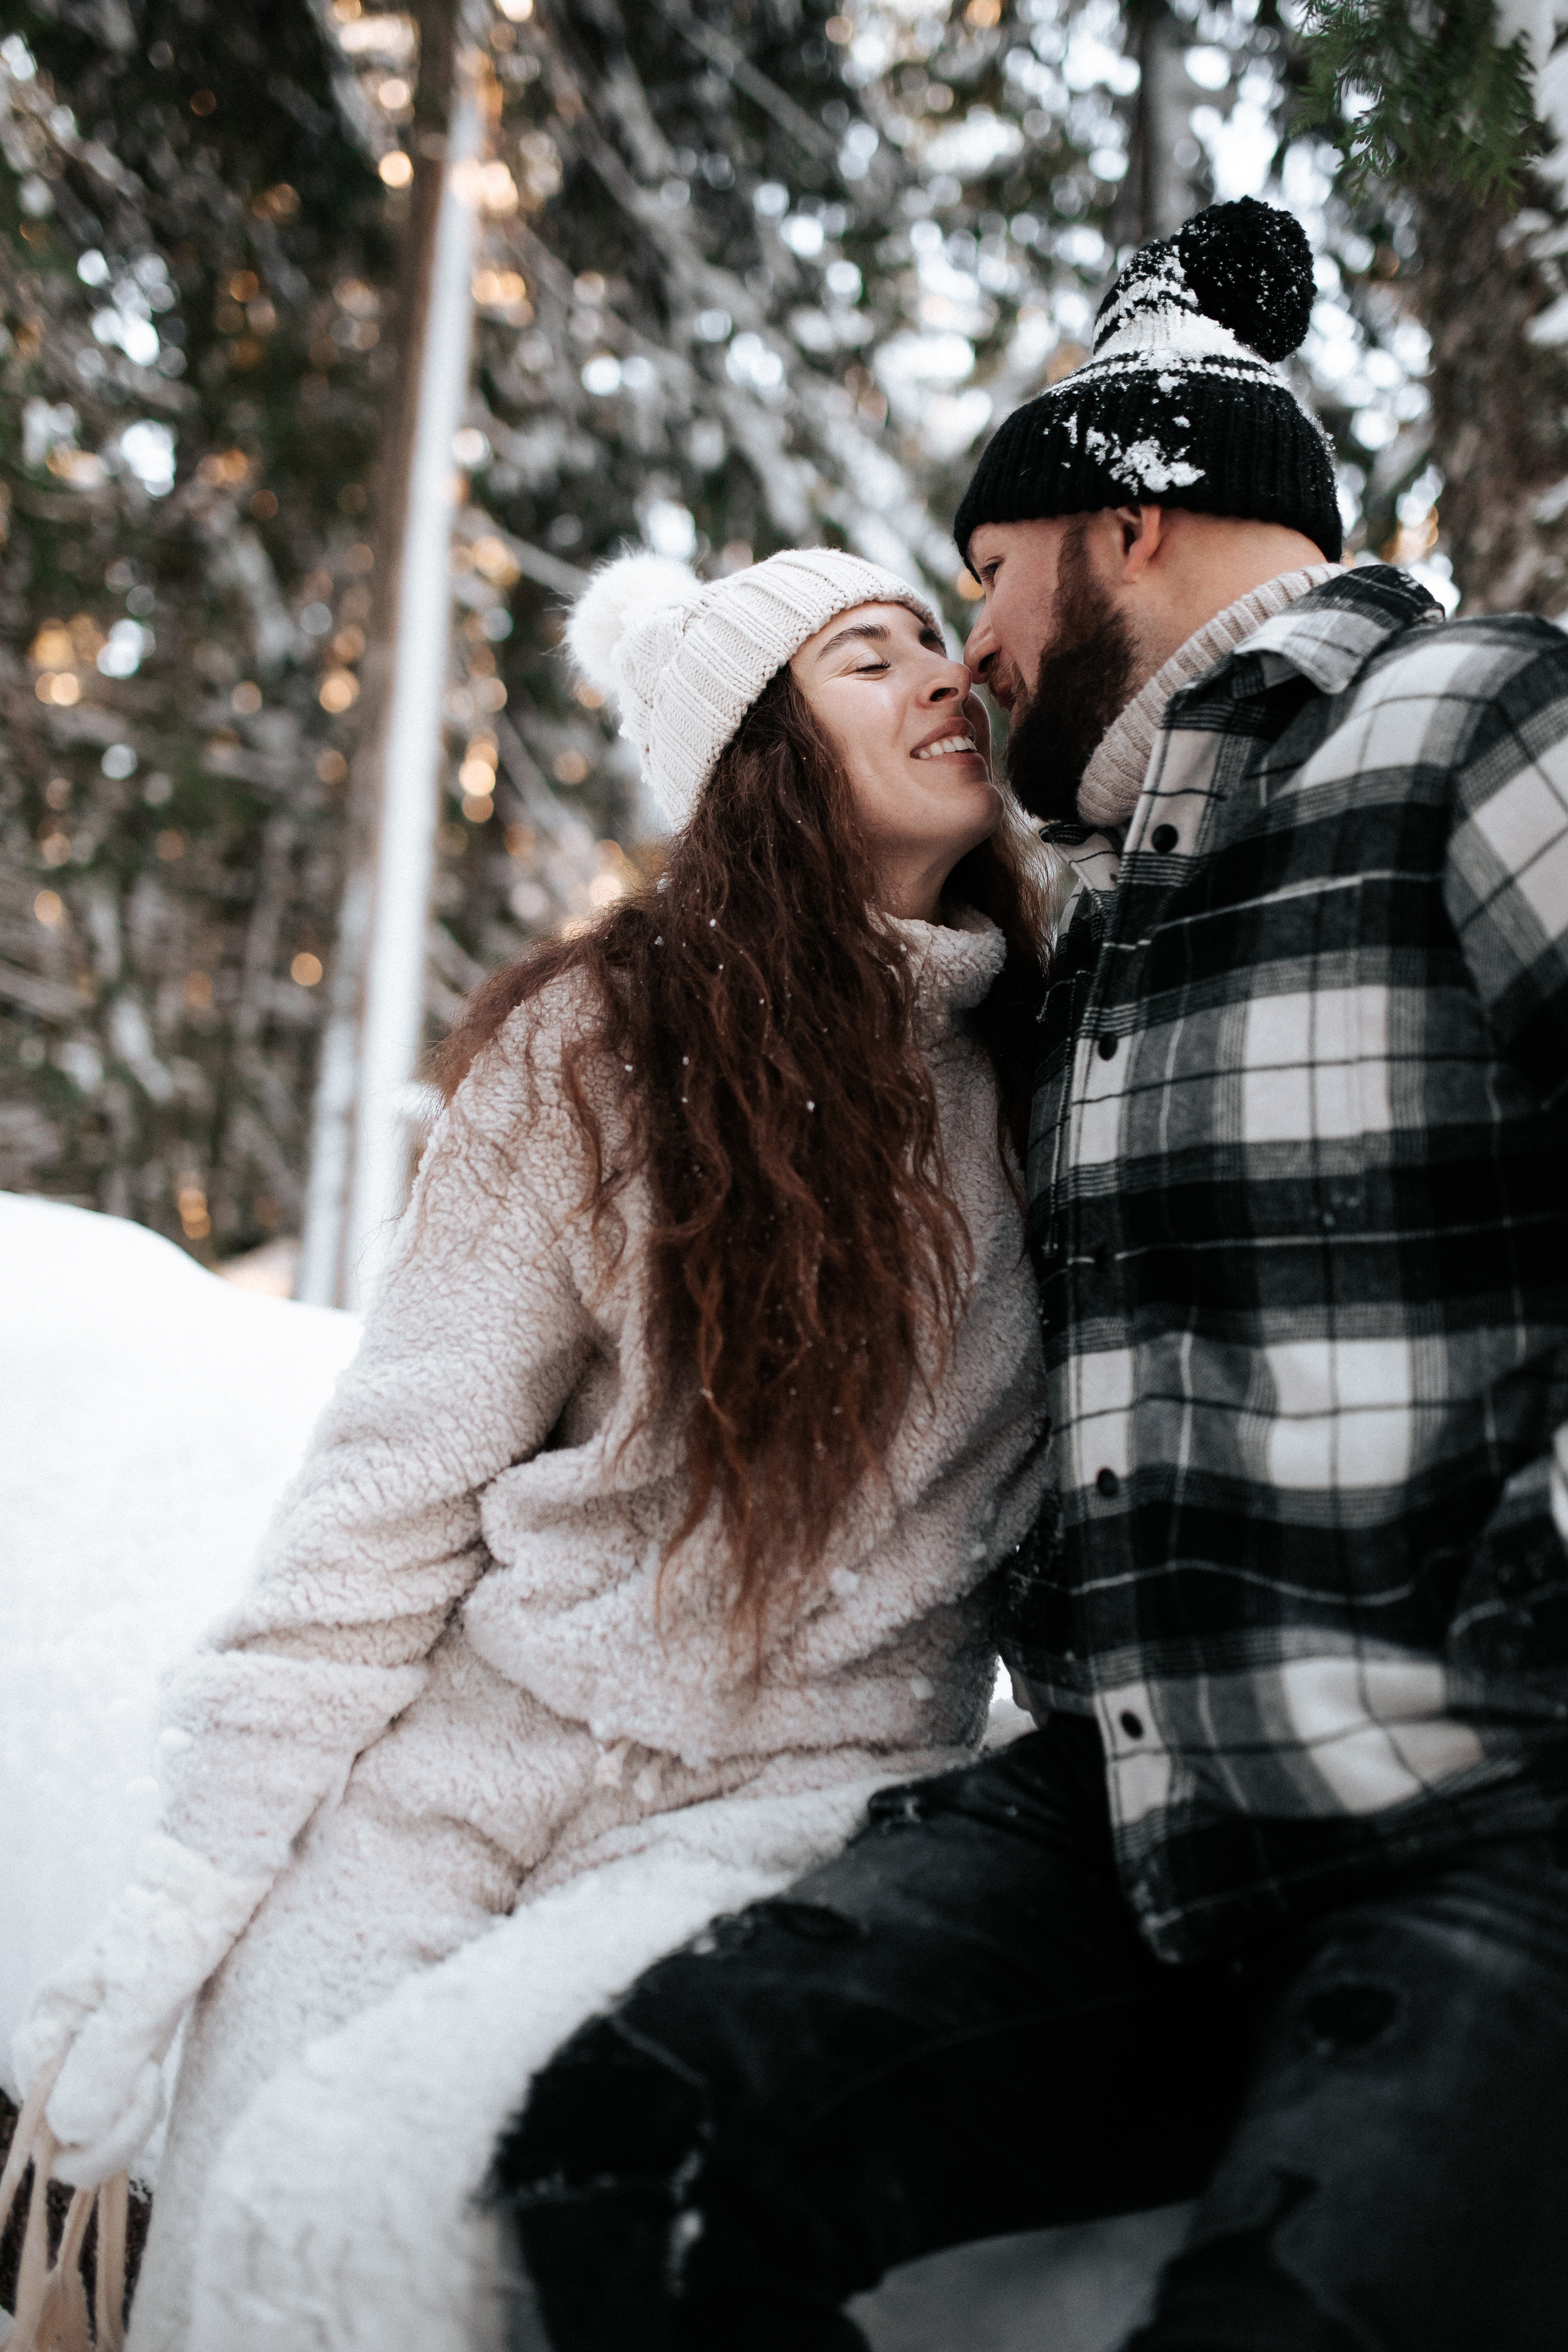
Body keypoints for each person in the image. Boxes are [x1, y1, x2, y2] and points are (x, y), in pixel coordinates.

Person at [492, 199, 1568, 2352]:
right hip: (1123, 1823)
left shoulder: (1481, 722)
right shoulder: (1095, 926)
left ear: (1129, 521)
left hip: (1484, 1823)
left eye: (988, 574)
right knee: (630, 2146)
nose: (972, 650)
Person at [10, 548, 1055, 2351]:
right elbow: (392, 1489)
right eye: (868, 658)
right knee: (235, 2187)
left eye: (935, 640)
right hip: (469, 1765)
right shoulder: (603, 1043)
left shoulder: (1047, 1063)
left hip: (777, 1810)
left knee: (351, 2215)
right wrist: (183, 1896)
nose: (943, 674)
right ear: (761, 755)